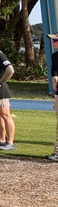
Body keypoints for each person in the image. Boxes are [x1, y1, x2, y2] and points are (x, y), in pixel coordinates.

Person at [47, 33, 58, 162]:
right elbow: (54, 70)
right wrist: (54, 78)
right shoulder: (55, 56)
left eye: (55, 39)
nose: (53, 42)